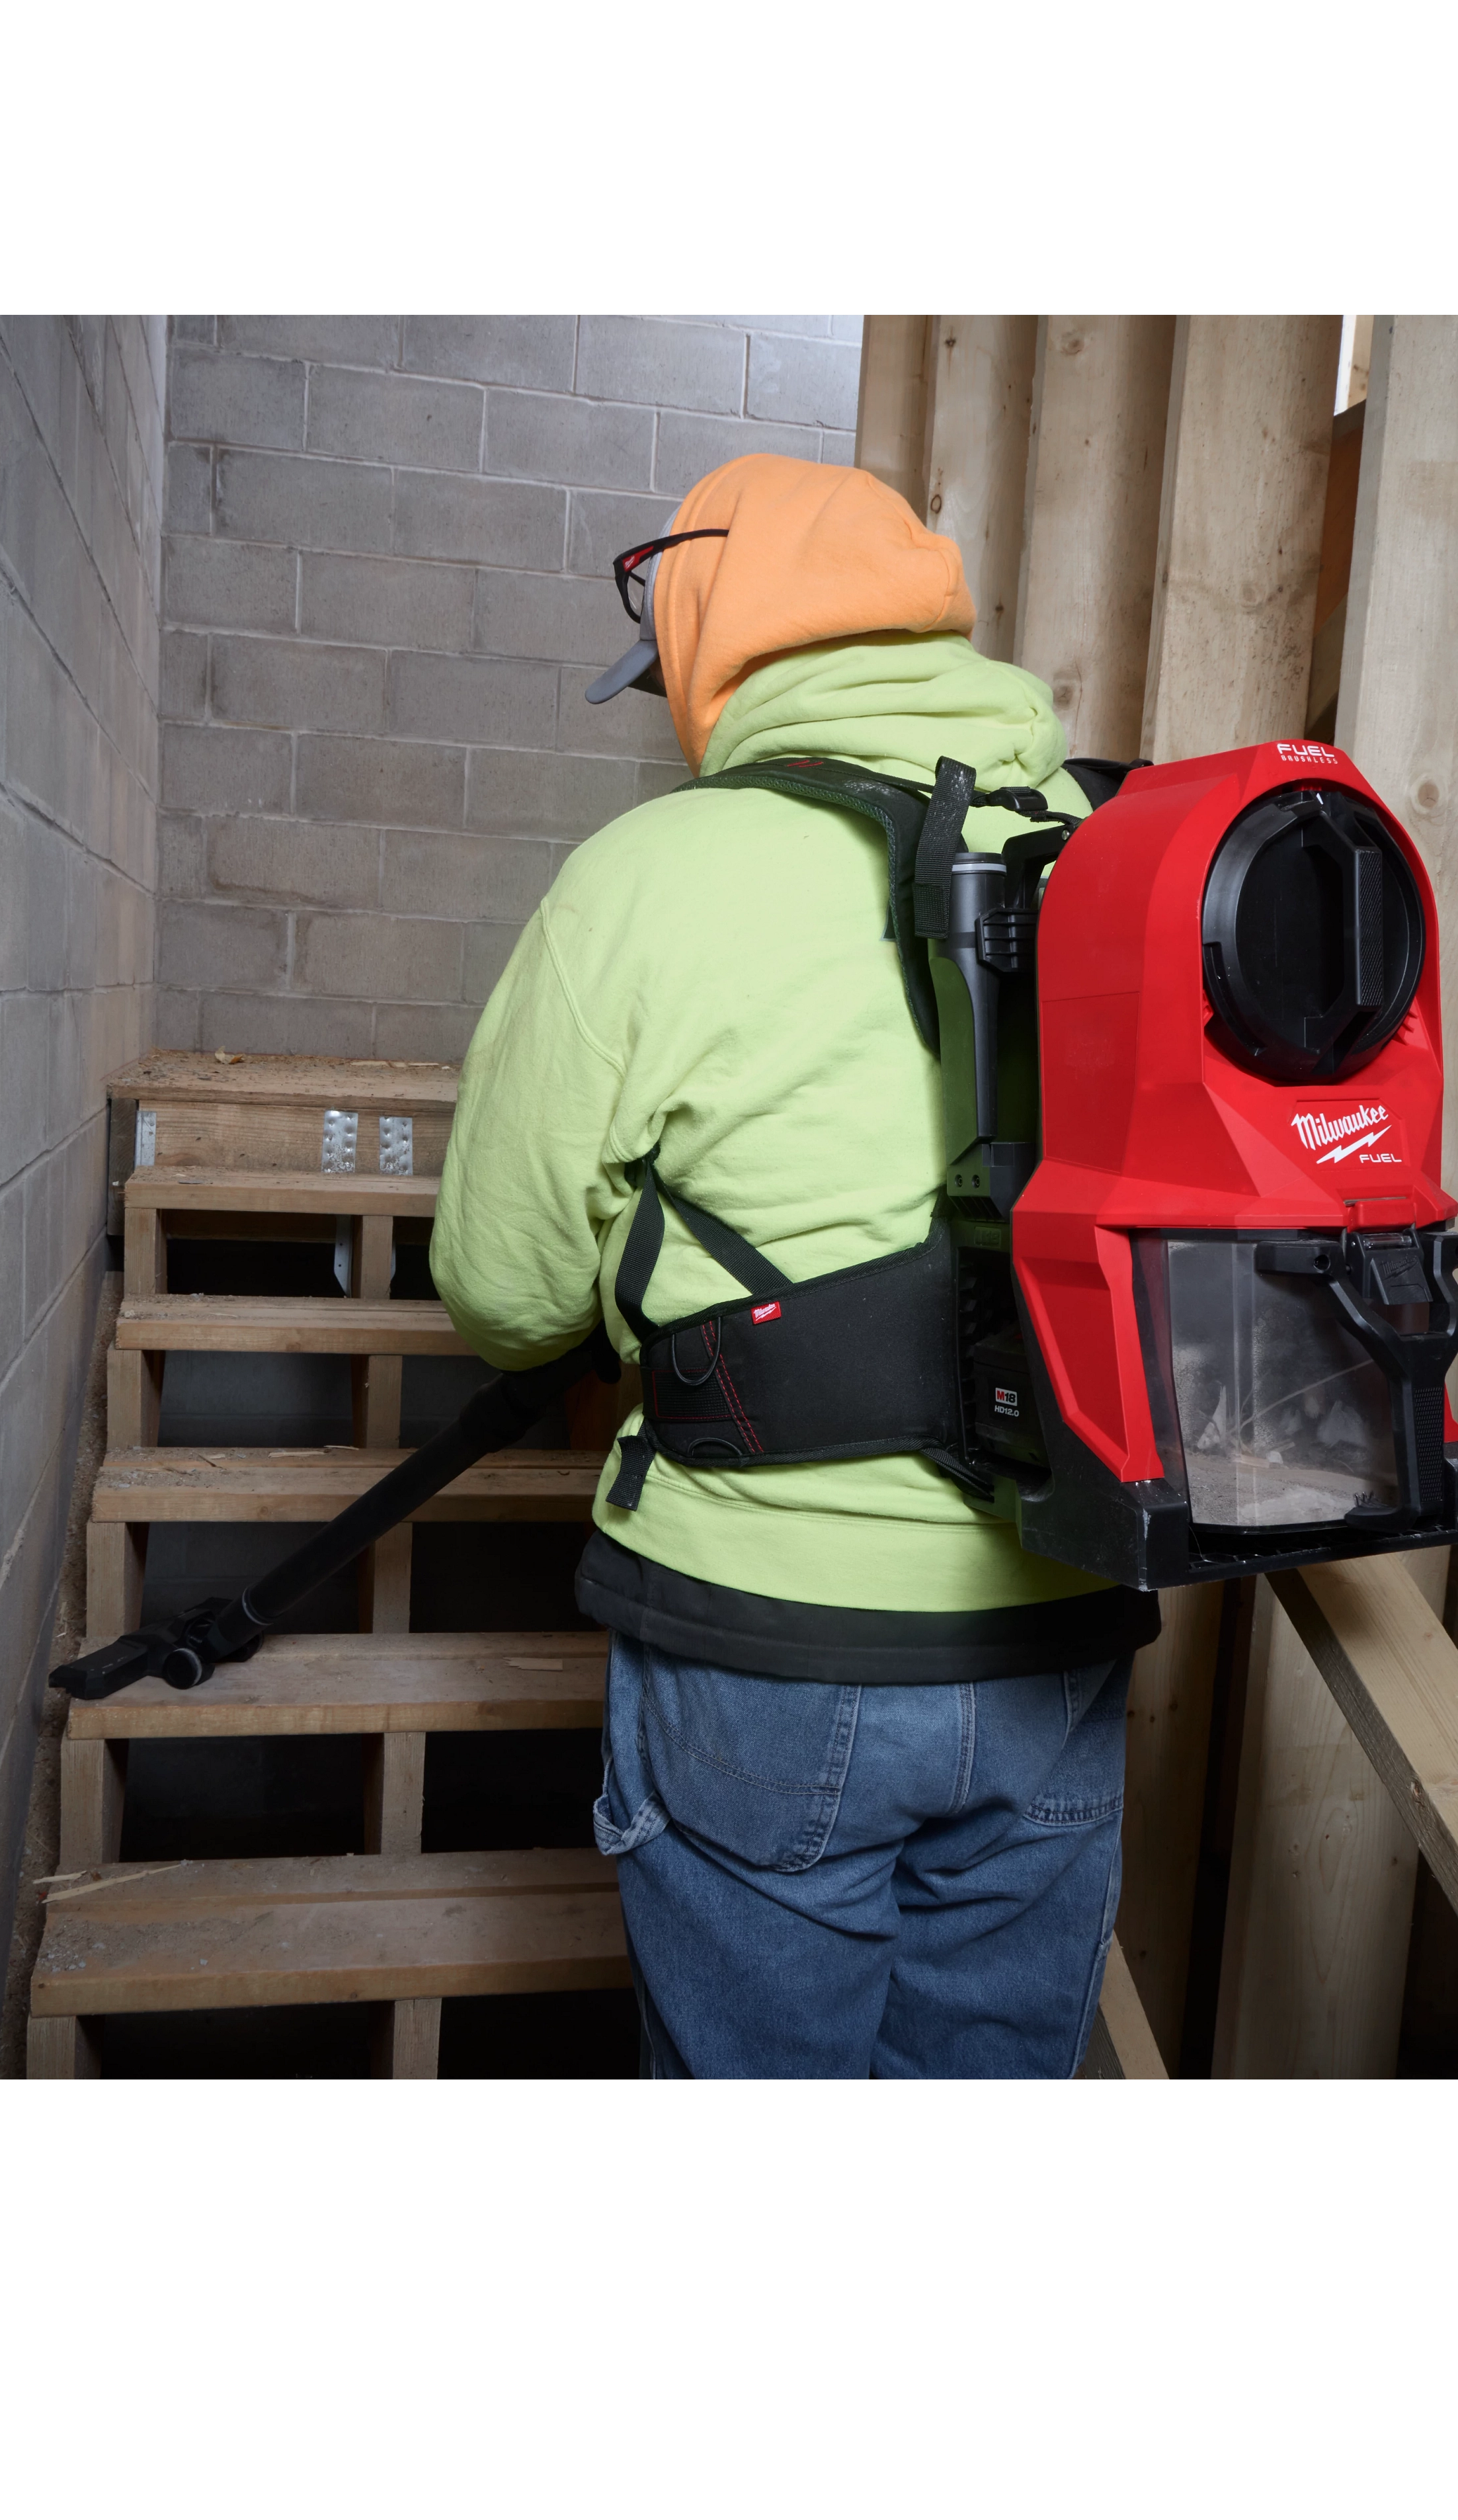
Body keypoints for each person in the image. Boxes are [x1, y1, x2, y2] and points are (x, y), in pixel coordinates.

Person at [430, 455, 1158, 2079]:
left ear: (710, 654)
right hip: (1055, 1627)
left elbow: (499, 1292)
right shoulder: (1117, 856)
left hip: (761, 1647)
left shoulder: (651, 878)